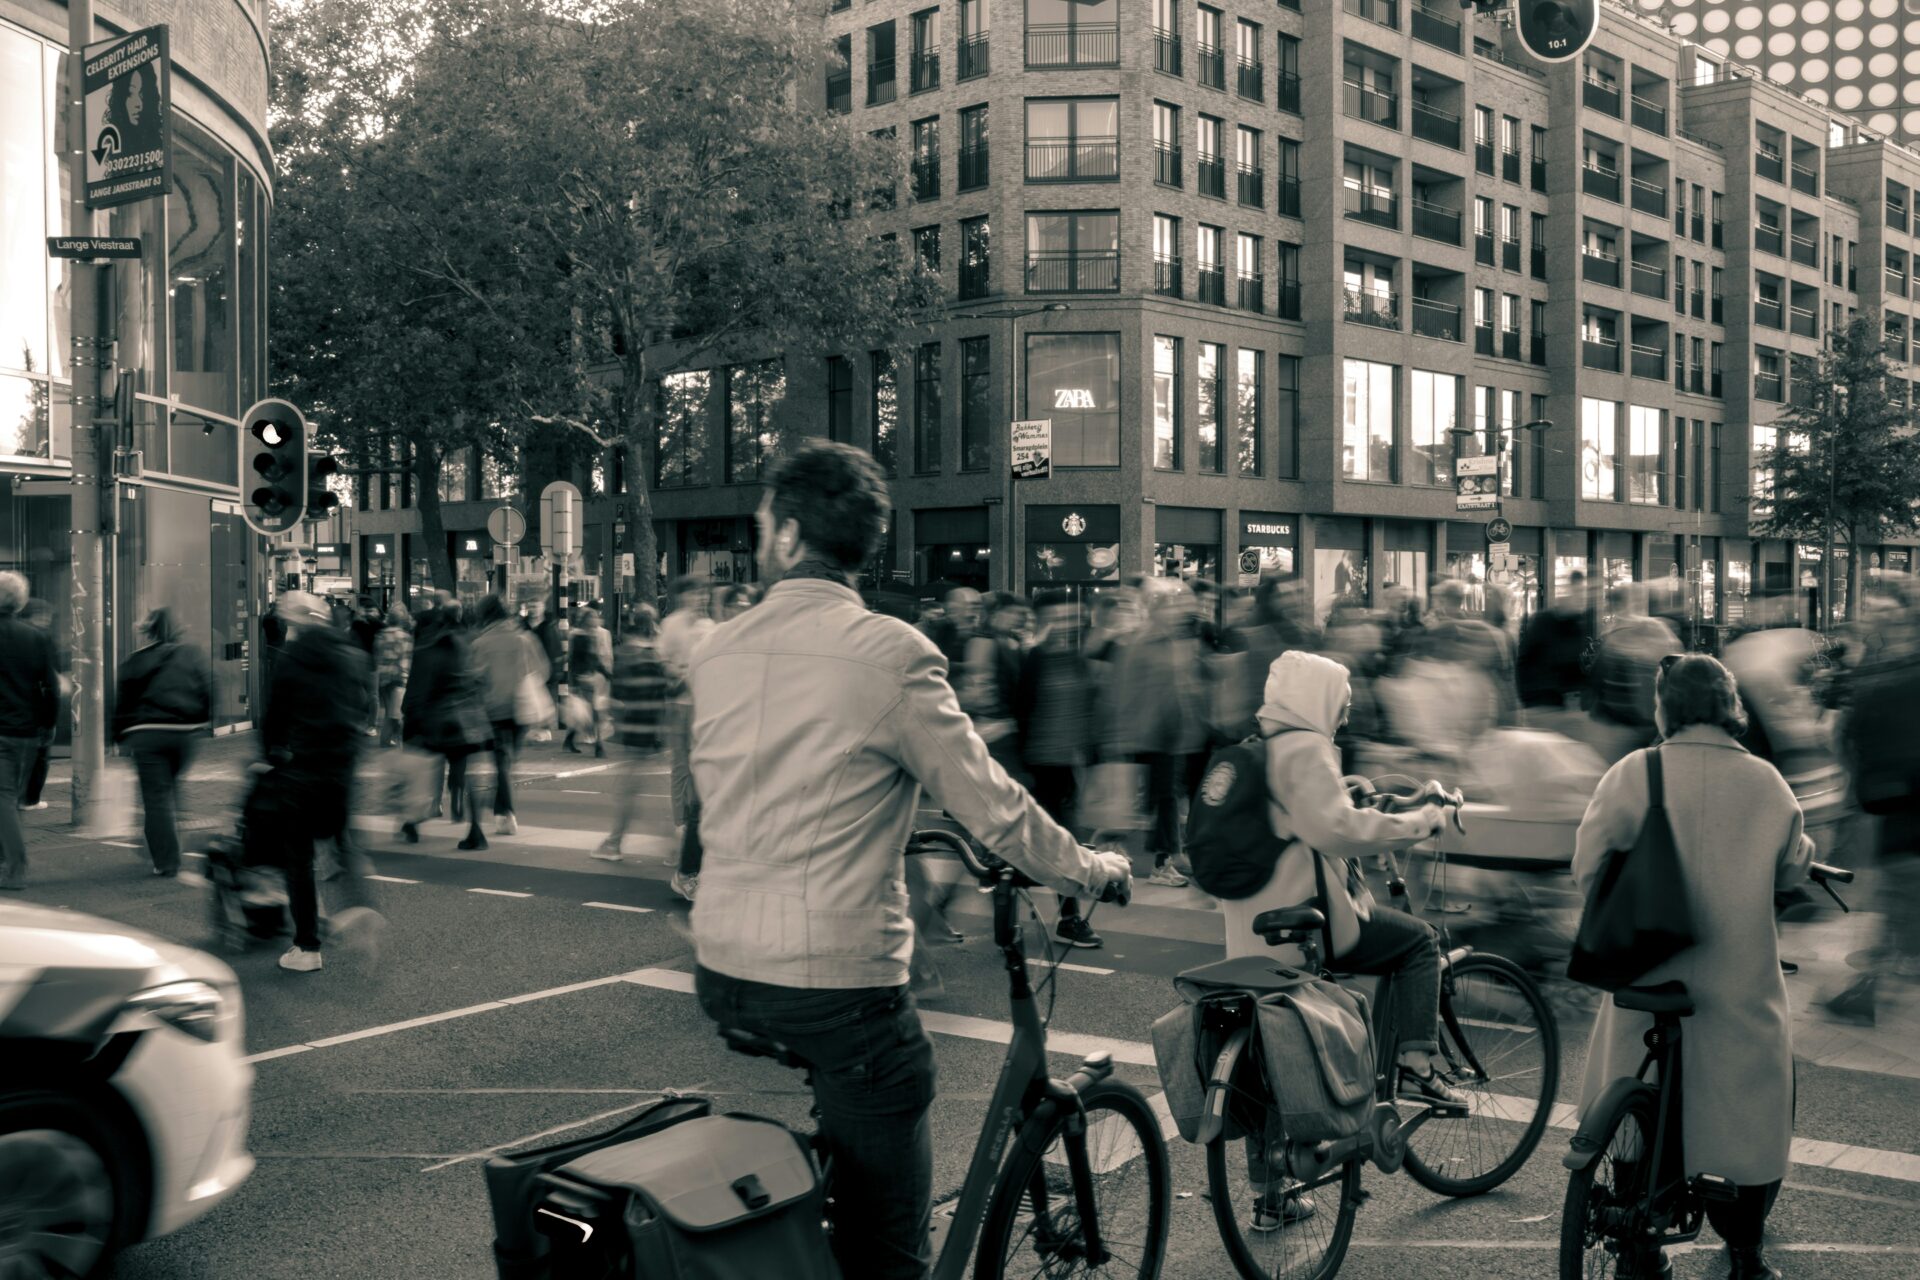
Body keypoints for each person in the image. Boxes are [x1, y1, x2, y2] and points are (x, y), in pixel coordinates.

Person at [687, 442, 1132, 1280]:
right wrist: (1088, 869)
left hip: (722, 964)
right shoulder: (889, 652)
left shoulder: (715, 650)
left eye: (761, 527)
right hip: (833, 976)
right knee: (891, 1230)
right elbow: (992, 806)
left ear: (788, 536)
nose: (757, 541)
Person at [1573, 655, 1813, 1280]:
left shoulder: (1634, 773)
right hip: (1737, 981)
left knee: (1634, 1086)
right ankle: (1745, 1254)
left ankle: (1637, 1242)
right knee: (1752, 1106)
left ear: (1665, 709)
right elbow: (1792, 867)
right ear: (1731, 707)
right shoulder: (1767, 782)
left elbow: (1587, 866)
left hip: (1646, 968)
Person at [255, 592, 382, 972]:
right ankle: (360, 906)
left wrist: (271, 756)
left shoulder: (291, 659)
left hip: (302, 766)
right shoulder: (350, 654)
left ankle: (307, 946)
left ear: (295, 621)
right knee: (341, 841)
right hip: (342, 764)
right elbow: (362, 706)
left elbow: (274, 718)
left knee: (298, 858)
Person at [1109, 578, 1213, 887]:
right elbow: (1125, 692)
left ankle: (1156, 857)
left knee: (1158, 801)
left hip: (1170, 737)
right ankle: (1158, 861)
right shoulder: (1142, 643)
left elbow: (1181, 690)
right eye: (1170, 605)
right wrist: (1123, 735)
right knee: (1154, 801)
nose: (1176, 611)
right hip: (1149, 737)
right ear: (1156, 608)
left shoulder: (1173, 642)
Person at [1018, 589, 1101, 948]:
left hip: (1068, 767)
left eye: (1071, 616)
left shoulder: (1076, 657)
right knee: (1054, 844)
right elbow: (1020, 711)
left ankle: (1064, 917)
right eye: (1058, 617)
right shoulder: (1033, 660)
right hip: (1038, 768)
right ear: (1042, 621)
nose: (1067, 622)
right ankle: (1067, 919)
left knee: (1057, 844)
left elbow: (1087, 711)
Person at [112, 608, 212, 877]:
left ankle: (166, 860)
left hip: (147, 735)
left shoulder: (134, 661)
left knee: (156, 797)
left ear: (148, 632)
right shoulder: (192, 654)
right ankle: (168, 839)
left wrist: (118, 737)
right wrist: (202, 720)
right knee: (171, 786)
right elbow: (207, 690)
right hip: (184, 735)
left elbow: (122, 703)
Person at [401, 601, 493, 850]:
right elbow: (479, 679)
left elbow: (417, 691)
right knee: (466, 770)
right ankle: (475, 827)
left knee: (423, 770)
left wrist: (410, 721)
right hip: (469, 718)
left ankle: (413, 820)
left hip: (438, 719)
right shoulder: (465, 642)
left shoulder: (426, 649)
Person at [597, 605, 673, 864]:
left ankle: (615, 843)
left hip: (631, 733)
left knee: (628, 792)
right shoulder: (657, 656)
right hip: (653, 732)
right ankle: (667, 844)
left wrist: (607, 716)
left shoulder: (626, 656)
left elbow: (618, 698)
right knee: (641, 789)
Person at [470, 594, 549, 836]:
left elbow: (474, 679)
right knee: (508, 760)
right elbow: (543, 670)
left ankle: (505, 811)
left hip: (493, 709)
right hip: (521, 708)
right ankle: (500, 805)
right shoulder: (524, 639)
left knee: (501, 760)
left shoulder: (480, 644)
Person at [0, 572, 58, 890]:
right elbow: (50, 687)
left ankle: (15, 866)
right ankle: (8, 860)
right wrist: (48, 725)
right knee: (11, 797)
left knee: (4, 798)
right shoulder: (35, 637)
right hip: (26, 731)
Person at [656, 577, 716, 879]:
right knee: (681, 768)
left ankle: (693, 833)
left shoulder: (710, 627)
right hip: (680, 705)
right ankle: (680, 829)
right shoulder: (673, 625)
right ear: (683, 596)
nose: (700, 599)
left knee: (700, 769)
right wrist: (677, 671)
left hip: (705, 705)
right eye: (695, 594)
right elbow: (661, 661)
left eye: (703, 594)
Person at [16, 600, 62, 812]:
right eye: (43, 615)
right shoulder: (41, 638)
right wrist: (51, 719)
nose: (46, 620)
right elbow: (51, 682)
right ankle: (29, 799)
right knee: (40, 756)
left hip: (13, 711)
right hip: (36, 711)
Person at [564, 606, 614, 756]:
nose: (596, 620)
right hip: (583, 678)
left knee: (584, 713)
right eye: (592, 617)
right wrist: (574, 682)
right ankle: (599, 746)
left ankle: (570, 739)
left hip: (591, 678)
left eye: (596, 617)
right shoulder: (578, 636)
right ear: (586, 620)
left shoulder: (593, 636)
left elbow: (595, 659)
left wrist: (606, 674)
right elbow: (573, 660)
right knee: (593, 713)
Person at [374, 606, 412, 748]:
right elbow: (405, 660)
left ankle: (390, 740)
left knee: (390, 712)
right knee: (395, 714)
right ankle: (388, 742)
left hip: (383, 677)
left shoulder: (381, 635)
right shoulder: (404, 637)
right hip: (398, 678)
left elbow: (376, 655)